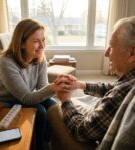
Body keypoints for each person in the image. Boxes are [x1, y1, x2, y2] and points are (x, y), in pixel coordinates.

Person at [0, 19, 65, 150]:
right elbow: (27, 98)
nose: (42, 45)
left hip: (21, 96)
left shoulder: (40, 58)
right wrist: (52, 88)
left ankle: (48, 141)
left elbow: (42, 88)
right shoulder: (6, 62)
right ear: (21, 43)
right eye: (36, 41)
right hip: (0, 102)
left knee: (51, 103)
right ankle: (40, 147)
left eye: (43, 40)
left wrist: (57, 84)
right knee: (39, 111)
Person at [54, 16, 135, 144]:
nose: (106, 53)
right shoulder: (129, 82)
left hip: (90, 140)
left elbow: (81, 131)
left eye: (112, 46)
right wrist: (80, 85)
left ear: (132, 53)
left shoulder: (125, 91)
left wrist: (65, 100)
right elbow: (113, 88)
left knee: (53, 109)